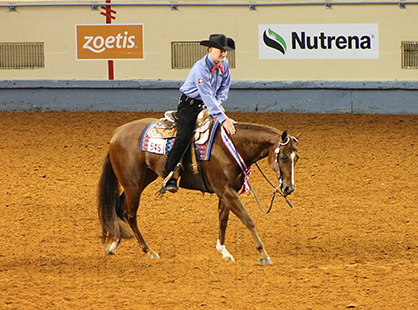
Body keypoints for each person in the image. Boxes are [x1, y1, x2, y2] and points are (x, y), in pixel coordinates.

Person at [162, 33, 237, 193]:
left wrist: (218, 103)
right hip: (190, 105)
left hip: (211, 104)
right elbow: (206, 95)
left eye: (225, 51)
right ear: (210, 50)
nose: (223, 54)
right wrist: (223, 118)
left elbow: (225, 87)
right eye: (220, 50)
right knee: (184, 136)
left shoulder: (225, 64)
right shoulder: (200, 68)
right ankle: (169, 173)